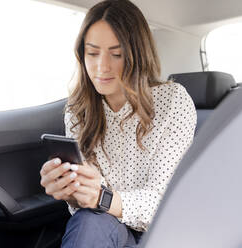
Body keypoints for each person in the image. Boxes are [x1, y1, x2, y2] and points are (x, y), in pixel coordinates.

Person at [39, 0, 197, 247]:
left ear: (137, 54)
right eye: (92, 53)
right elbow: (90, 204)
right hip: (104, 225)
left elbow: (163, 201)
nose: (102, 67)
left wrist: (100, 198)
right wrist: (71, 192)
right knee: (88, 221)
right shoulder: (77, 110)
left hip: (162, 232)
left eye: (116, 54)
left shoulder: (172, 101)